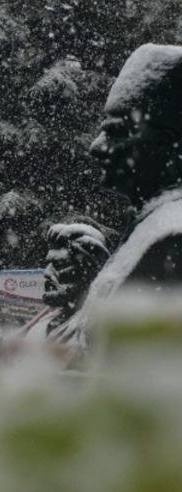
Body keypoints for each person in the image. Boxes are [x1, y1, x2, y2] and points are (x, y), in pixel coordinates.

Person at [80, 44, 182, 318]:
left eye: (117, 131)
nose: (97, 146)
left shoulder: (170, 239)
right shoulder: (150, 227)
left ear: (171, 144)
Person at [21, 223, 109, 357]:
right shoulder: (44, 324)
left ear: (87, 270)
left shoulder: (99, 331)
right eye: (48, 264)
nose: (47, 272)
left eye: (60, 264)